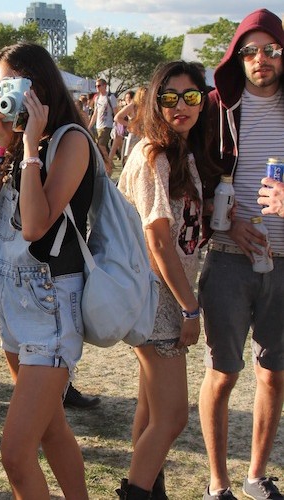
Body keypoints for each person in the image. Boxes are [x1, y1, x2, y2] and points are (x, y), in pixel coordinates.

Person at [0, 41, 95, 500]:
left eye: (13, 85)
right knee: (52, 429)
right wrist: (0, 145)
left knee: (16, 455)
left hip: (50, 305)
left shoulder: (70, 140)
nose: (4, 96)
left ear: (39, 86)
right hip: (12, 302)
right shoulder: (9, 141)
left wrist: (31, 148)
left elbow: (36, 227)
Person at [117, 60, 214, 500]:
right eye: (169, 97)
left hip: (163, 297)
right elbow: (157, 239)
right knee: (172, 417)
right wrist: (190, 309)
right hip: (158, 301)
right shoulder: (154, 154)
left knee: (151, 409)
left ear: (202, 101)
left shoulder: (180, 153)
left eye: (190, 96)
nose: (180, 106)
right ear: (154, 102)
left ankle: (151, 488)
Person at [198, 9, 284, 500]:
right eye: (250, 51)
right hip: (229, 255)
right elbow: (193, 177)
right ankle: (218, 483)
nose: (260, 59)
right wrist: (227, 221)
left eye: (271, 49)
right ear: (237, 57)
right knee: (223, 372)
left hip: (283, 261)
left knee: (273, 374)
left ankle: (256, 476)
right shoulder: (219, 108)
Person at [88, 78, 118, 175]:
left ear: (105, 86)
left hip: (107, 125)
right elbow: (95, 114)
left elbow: (116, 112)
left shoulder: (110, 97)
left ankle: (109, 166)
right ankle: (108, 165)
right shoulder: (97, 98)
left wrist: (117, 124)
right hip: (98, 125)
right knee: (101, 148)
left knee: (101, 145)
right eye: (96, 86)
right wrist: (89, 126)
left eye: (99, 85)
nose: (97, 88)